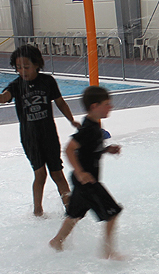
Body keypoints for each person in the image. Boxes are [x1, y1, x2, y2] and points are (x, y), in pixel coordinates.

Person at [0, 44, 79, 216]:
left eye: (26, 67)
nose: (22, 71)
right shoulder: (16, 85)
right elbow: (5, 97)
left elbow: (60, 102)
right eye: (18, 68)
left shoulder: (47, 81)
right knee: (40, 174)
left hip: (49, 134)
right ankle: (38, 211)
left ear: (37, 64)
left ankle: (70, 209)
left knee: (57, 173)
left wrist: (72, 120)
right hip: (29, 136)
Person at [49, 86, 123, 260]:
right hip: (87, 181)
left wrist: (106, 150)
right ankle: (108, 251)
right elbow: (69, 149)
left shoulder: (94, 127)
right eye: (107, 104)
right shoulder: (88, 129)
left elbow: (89, 150)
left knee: (75, 215)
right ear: (94, 106)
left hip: (82, 181)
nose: (110, 107)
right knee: (112, 213)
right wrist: (81, 172)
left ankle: (57, 241)